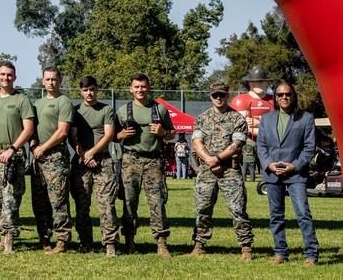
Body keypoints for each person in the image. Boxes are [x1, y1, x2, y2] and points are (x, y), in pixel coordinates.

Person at [189, 81, 254, 260]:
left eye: (222, 95)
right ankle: (199, 244)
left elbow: (237, 144)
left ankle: (246, 247)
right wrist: (209, 160)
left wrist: (217, 159)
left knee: (238, 209)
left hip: (229, 171)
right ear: (210, 96)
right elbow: (196, 142)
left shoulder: (237, 119)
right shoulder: (202, 118)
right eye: (215, 95)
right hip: (206, 171)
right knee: (203, 208)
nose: (218, 98)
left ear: (228, 96)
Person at [257, 82, 319, 267]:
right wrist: (269, 165)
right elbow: (261, 146)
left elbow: (309, 148)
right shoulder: (266, 119)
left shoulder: (306, 118)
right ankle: (280, 253)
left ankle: (311, 254)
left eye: (288, 94)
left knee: (302, 213)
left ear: (293, 96)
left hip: (296, 175)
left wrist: (295, 165)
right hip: (272, 174)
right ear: (275, 98)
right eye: (280, 94)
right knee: (276, 215)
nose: (284, 97)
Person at [115, 73, 175, 257]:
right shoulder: (123, 111)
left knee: (157, 202)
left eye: (143, 86)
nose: (140, 90)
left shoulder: (160, 110)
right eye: (136, 87)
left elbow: (172, 133)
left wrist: (163, 132)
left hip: (153, 160)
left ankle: (161, 242)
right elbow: (113, 136)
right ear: (130, 89)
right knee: (129, 202)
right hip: (130, 160)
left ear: (149, 88)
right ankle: (129, 242)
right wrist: (121, 136)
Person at [0, 61, 34, 254]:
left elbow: (28, 129)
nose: (6, 78)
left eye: (9, 75)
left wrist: (13, 148)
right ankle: (3, 236)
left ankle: (9, 240)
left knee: (10, 200)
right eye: (2, 75)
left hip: (14, 156)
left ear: (15, 77)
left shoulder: (22, 100)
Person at [68, 76, 118, 257]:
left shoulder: (106, 109)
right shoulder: (76, 111)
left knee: (107, 205)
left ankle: (110, 243)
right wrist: (83, 154)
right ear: (81, 91)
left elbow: (109, 135)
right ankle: (84, 242)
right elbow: (72, 137)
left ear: (97, 90)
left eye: (92, 89)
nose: (89, 93)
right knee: (82, 205)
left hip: (103, 161)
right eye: (85, 90)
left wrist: (93, 152)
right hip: (82, 163)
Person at [29, 67, 73, 254]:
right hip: (38, 157)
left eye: (54, 79)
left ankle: (61, 241)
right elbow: (30, 130)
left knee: (58, 200)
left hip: (55, 157)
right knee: (39, 201)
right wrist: (33, 148)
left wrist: (42, 148)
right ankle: (44, 239)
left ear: (60, 80)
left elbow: (62, 131)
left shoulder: (63, 102)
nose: (51, 82)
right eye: (47, 79)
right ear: (42, 81)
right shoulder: (37, 104)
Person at [230, 66, 275, 139]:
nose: (260, 84)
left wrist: (259, 124)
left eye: (262, 81)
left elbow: (279, 126)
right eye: (257, 81)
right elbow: (243, 128)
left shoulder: (274, 100)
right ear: (250, 82)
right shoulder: (240, 100)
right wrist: (268, 129)